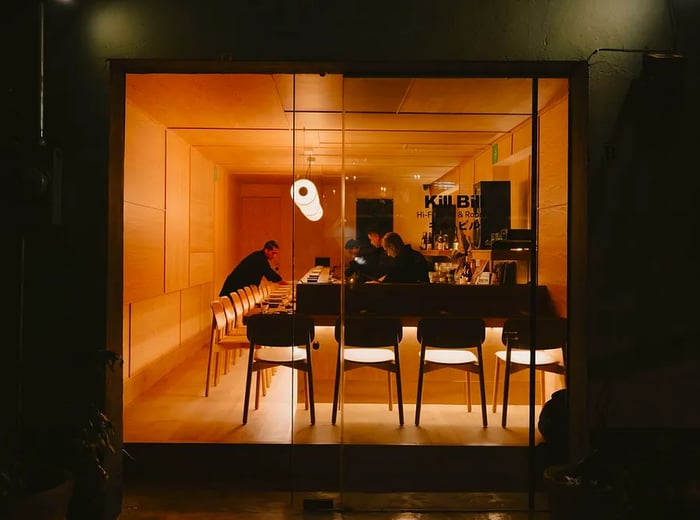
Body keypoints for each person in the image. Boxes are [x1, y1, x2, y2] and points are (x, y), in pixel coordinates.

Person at [219, 240, 289, 296]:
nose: (274, 256)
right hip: (233, 287)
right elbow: (271, 275)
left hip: (237, 287)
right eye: (273, 253)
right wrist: (287, 284)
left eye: (276, 254)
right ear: (266, 250)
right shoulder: (259, 259)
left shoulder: (260, 256)